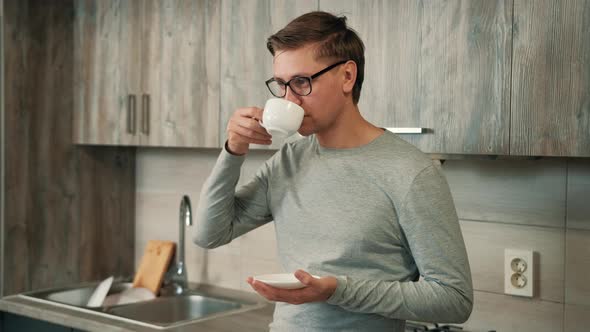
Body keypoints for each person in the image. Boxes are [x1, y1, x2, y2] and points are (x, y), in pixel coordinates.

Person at [194, 11, 473, 332]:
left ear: (347, 77)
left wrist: (337, 291)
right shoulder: (288, 160)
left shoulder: (411, 172)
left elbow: (454, 298)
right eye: (281, 85)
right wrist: (233, 150)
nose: (289, 99)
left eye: (301, 82)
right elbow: (209, 233)